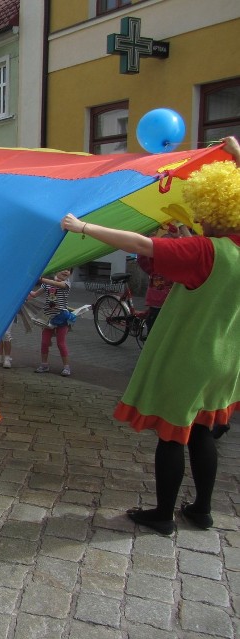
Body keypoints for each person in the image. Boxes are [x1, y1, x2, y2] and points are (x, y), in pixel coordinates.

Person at [59, 135, 240, 535]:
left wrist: (83, 226)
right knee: (203, 431)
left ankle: (163, 515)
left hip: (190, 355)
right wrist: (239, 156)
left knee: (173, 434)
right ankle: (203, 511)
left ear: (214, 207)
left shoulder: (207, 251)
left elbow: (143, 244)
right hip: (227, 358)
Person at [137, 222, 190, 335]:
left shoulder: (178, 262)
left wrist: (179, 234)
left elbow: (190, 249)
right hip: (158, 303)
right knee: (154, 331)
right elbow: (143, 256)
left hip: (173, 302)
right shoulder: (156, 265)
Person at [29, 269, 73, 376]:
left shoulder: (66, 284)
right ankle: (44, 364)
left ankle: (66, 367)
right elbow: (35, 294)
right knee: (45, 342)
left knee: (60, 343)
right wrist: (25, 289)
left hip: (62, 318)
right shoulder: (46, 285)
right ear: (55, 271)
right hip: (48, 318)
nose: (66, 272)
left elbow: (60, 285)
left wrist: (42, 279)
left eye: (69, 270)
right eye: (64, 269)